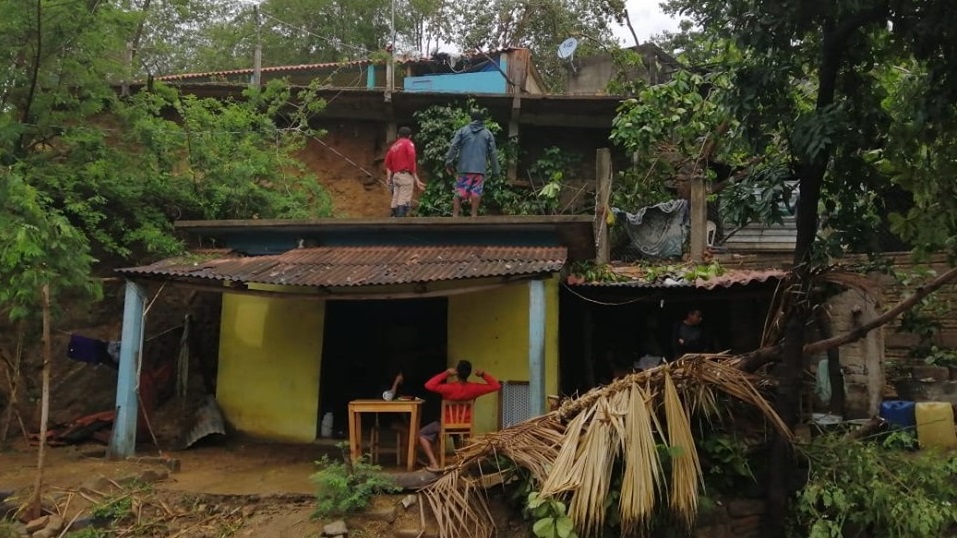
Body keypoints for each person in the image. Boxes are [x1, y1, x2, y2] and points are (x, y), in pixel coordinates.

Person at [418, 360, 500, 470]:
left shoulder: (448, 388)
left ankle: (434, 463)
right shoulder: (474, 388)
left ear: (457, 373)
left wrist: (446, 373)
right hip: (466, 425)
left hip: (446, 424)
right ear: (469, 373)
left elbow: (428, 385)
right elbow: (496, 386)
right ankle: (461, 461)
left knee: (422, 434)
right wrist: (483, 374)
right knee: (456, 433)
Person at [444, 111, 500, 217]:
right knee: (476, 192)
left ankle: (455, 215)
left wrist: (448, 162)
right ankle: (474, 215)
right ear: (482, 120)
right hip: (479, 169)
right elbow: (492, 153)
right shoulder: (487, 133)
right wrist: (495, 171)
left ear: (471, 119)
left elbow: (454, 146)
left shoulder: (463, 131)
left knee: (459, 191)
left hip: (464, 168)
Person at [384, 126, 425, 217]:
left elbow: (387, 163)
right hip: (405, 175)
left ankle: (394, 219)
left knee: (395, 199)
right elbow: (411, 154)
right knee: (404, 201)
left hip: (396, 176)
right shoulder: (408, 143)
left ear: (398, 135)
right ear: (410, 136)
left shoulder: (393, 146)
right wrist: (414, 174)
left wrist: (388, 178)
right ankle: (400, 223)